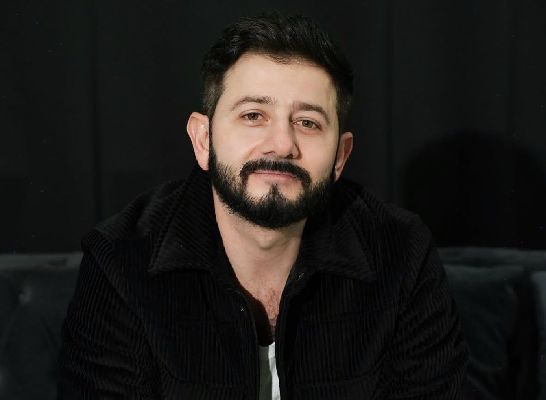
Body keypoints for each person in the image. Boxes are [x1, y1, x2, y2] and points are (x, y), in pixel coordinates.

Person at [58, 13, 468, 399]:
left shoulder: (401, 252)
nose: (282, 144)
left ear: (340, 157)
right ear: (203, 140)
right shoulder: (121, 260)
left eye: (308, 122)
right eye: (254, 115)